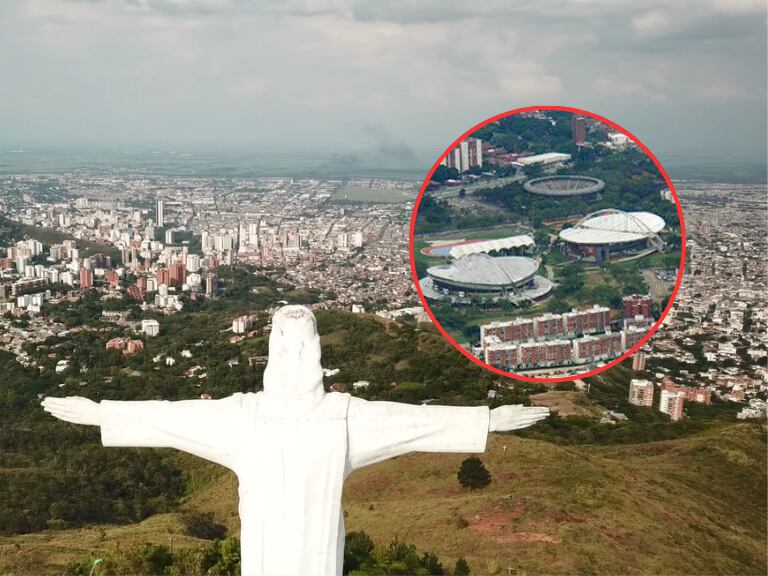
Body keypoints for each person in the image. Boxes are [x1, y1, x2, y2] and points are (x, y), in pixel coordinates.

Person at [42, 305, 548, 576]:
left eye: (302, 350)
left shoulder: (342, 416)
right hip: (265, 559)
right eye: (286, 351)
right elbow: (170, 419)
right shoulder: (244, 415)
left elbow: (417, 423)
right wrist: (101, 415)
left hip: (319, 558)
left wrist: (487, 421)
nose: (293, 362)